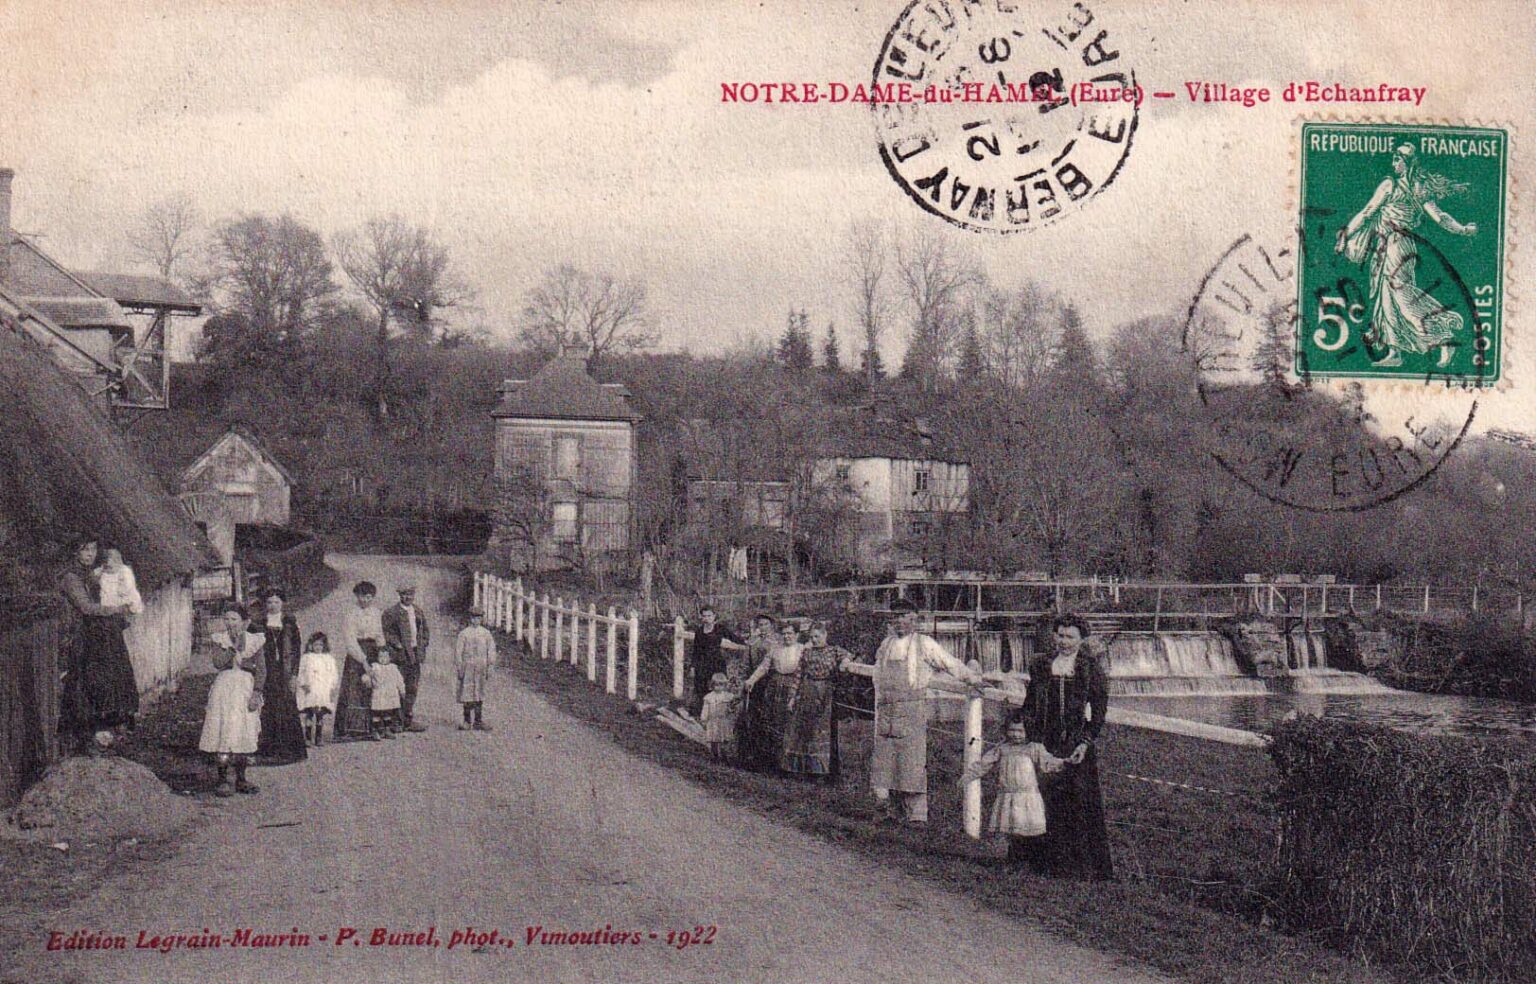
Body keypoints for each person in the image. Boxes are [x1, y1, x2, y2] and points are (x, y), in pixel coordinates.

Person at [1334, 143, 1479, 368]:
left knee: (1403, 298)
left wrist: (1462, 229)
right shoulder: (1406, 186)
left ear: (1407, 162)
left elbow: (1438, 216)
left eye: (1397, 159)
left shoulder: (1397, 186)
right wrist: (1346, 233)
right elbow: (1366, 213)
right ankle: (1395, 352)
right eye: (1393, 159)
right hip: (1389, 247)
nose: (1393, 163)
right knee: (1386, 300)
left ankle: (1443, 336)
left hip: (1397, 246)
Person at [868, 600, 984, 824]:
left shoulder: (924, 644)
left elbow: (949, 663)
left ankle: (916, 817)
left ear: (915, 619)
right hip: (887, 710)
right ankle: (889, 811)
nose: (900, 621)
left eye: (905, 616)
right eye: (896, 616)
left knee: (911, 763)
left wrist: (972, 678)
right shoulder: (885, 645)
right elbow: (877, 676)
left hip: (912, 711)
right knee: (885, 763)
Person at [1022, 614, 1114, 880]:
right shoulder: (1041, 665)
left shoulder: (1090, 668)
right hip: (1046, 741)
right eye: (1059, 635)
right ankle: (1042, 863)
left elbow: (1099, 710)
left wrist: (1085, 741)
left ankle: (1079, 869)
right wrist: (1035, 739)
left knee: (1078, 805)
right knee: (1041, 801)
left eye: (1070, 636)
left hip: (1075, 743)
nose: (1063, 641)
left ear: (1081, 639)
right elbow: (1030, 707)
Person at [57, 537, 139, 753]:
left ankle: (106, 733)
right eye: (84, 550)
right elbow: (86, 607)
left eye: (92, 549)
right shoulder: (71, 577)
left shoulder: (93, 574)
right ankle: (84, 737)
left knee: (106, 680)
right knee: (85, 684)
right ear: (76, 552)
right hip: (79, 637)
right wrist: (115, 609)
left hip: (97, 637)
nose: (89, 554)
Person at [960, 715, 1066, 869]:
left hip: (1027, 797)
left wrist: (1063, 763)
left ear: (1028, 731)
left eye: (1020, 731)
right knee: (1012, 830)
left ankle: (1032, 861)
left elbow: (1048, 762)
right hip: (1008, 796)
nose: (1015, 734)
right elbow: (984, 764)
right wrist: (968, 777)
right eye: (1012, 730)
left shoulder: (1034, 748)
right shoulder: (1002, 749)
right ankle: (1013, 860)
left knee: (1028, 829)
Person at [198, 604, 266, 796]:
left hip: (245, 687)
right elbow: (218, 663)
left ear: (245, 622)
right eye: (226, 619)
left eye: (234, 619)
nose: (229, 623)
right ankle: (223, 779)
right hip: (225, 688)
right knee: (224, 729)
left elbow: (261, 669)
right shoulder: (220, 640)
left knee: (243, 728)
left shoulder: (255, 641)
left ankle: (241, 778)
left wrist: (257, 692)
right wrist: (231, 647)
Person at [782, 620, 854, 779]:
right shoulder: (806, 652)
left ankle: (821, 770)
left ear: (825, 635)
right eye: (812, 637)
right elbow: (798, 675)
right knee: (803, 730)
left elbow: (849, 656)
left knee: (820, 730)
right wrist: (792, 697)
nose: (814, 640)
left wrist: (845, 662)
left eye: (817, 636)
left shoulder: (834, 650)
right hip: (807, 692)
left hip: (825, 693)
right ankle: (801, 769)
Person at [742, 621, 804, 772]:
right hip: (775, 685)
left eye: (790, 633)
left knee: (790, 723)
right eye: (784, 634)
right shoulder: (775, 649)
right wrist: (751, 680)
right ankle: (771, 761)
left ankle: (789, 764)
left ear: (797, 634)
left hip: (794, 686)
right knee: (771, 721)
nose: (787, 636)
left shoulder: (803, 650)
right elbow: (764, 666)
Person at [256, 590, 306, 764]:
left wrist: (294, 674)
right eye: (269, 602)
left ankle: (289, 751)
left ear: (282, 604)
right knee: (268, 706)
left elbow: (296, 651)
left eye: (276, 602)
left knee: (286, 707)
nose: (273, 605)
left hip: (284, 671)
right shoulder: (259, 624)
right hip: (267, 671)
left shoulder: (290, 623)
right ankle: (268, 750)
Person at [335, 581, 385, 740]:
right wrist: (363, 661)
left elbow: (379, 634)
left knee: (373, 687)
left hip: (373, 651)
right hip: (357, 654)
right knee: (354, 689)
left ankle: (372, 729)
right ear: (356, 596)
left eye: (369, 597)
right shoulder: (351, 614)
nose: (365, 600)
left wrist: (382, 652)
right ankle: (349, 730)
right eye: (362, 597)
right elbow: (350, 641)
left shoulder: (376, 613)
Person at [382, 584, 431, 732]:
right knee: (398, 687)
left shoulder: (417, 611)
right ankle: (396, 721)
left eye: (410, 594)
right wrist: (397, 644)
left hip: (415, 655)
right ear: (399, 595)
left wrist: (423, 643)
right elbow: (386, 632)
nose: (407, 597)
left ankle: (407, 719)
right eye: (404, 594)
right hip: (401, 655)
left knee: (412, 687)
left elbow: (425, 630)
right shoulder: (392, 612)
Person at [688, 607, 746, 715]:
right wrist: (693, 667)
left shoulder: (720, 628)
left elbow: (733, 638)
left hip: (716, 662)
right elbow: (696, 650)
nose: (707, 618)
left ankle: (719, 712)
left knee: (718, 686)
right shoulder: (699, 631)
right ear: (701, 617)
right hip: (702, 664)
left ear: (714, 616)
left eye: (709, 616)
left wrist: (746, 644)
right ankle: (702, 714)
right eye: (704, 616)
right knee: (701, 688)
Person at [454, 606, 497, 732]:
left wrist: (490, 665)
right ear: (469, 618)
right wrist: (459, 666)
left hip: (481, 667)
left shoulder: (485, 633)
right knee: (467, 693)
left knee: (479, 693)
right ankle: (467, 721)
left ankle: (478, 720)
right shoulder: (464, 634)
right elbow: (458, 652)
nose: (475, 621)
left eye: (478, 618)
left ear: (481, 619)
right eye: (473, 618)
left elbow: (491, 650)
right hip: (468, 667)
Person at [295, 631, 339, 746]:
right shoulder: (306, 658)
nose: (318, 647)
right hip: (310, 689)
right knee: (309, 713)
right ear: (311, 645)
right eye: (315, 645)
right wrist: (304, 684)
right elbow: (301, 672)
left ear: (324, 645)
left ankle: (319, 737)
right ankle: (308, 737)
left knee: (320, 714)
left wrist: (332, 686)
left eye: (320, 645)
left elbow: (333, 673)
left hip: (323, 689)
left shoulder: (328, 658)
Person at [699, 672, 740, 763]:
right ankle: (715, 756)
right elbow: (705, 709)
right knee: (714, 739)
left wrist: (737, 688)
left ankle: (725, 755)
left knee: (724, 739)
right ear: (712, 685)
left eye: (721, 685)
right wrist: (704, 719)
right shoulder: (709, 697)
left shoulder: (727, 696)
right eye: (716, 685)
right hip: (713, 721)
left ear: (724, 685)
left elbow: (736, 700)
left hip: (723, 720)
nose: (718, 687)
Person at [95, 547, 143, 621]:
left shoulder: (124, 571)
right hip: (109, 600)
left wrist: (120, 590)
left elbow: (128, 586)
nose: (109, 568)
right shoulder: (103, 572)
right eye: (107, 565)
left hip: (124, 597)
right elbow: (96, 578)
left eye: (111, 565)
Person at [368, 649, 407, 739]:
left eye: (385, 657)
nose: (383, 659)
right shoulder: (375, 667)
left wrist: (402, 690)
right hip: (379, 694)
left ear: (389, 658)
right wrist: (368, 680)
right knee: (376, 714)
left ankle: (387, 729)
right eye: (380, 656)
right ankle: (376, 730)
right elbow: (369, 675)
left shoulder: (393, 668)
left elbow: (399, 681)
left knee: (387, 713)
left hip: (389, 694)